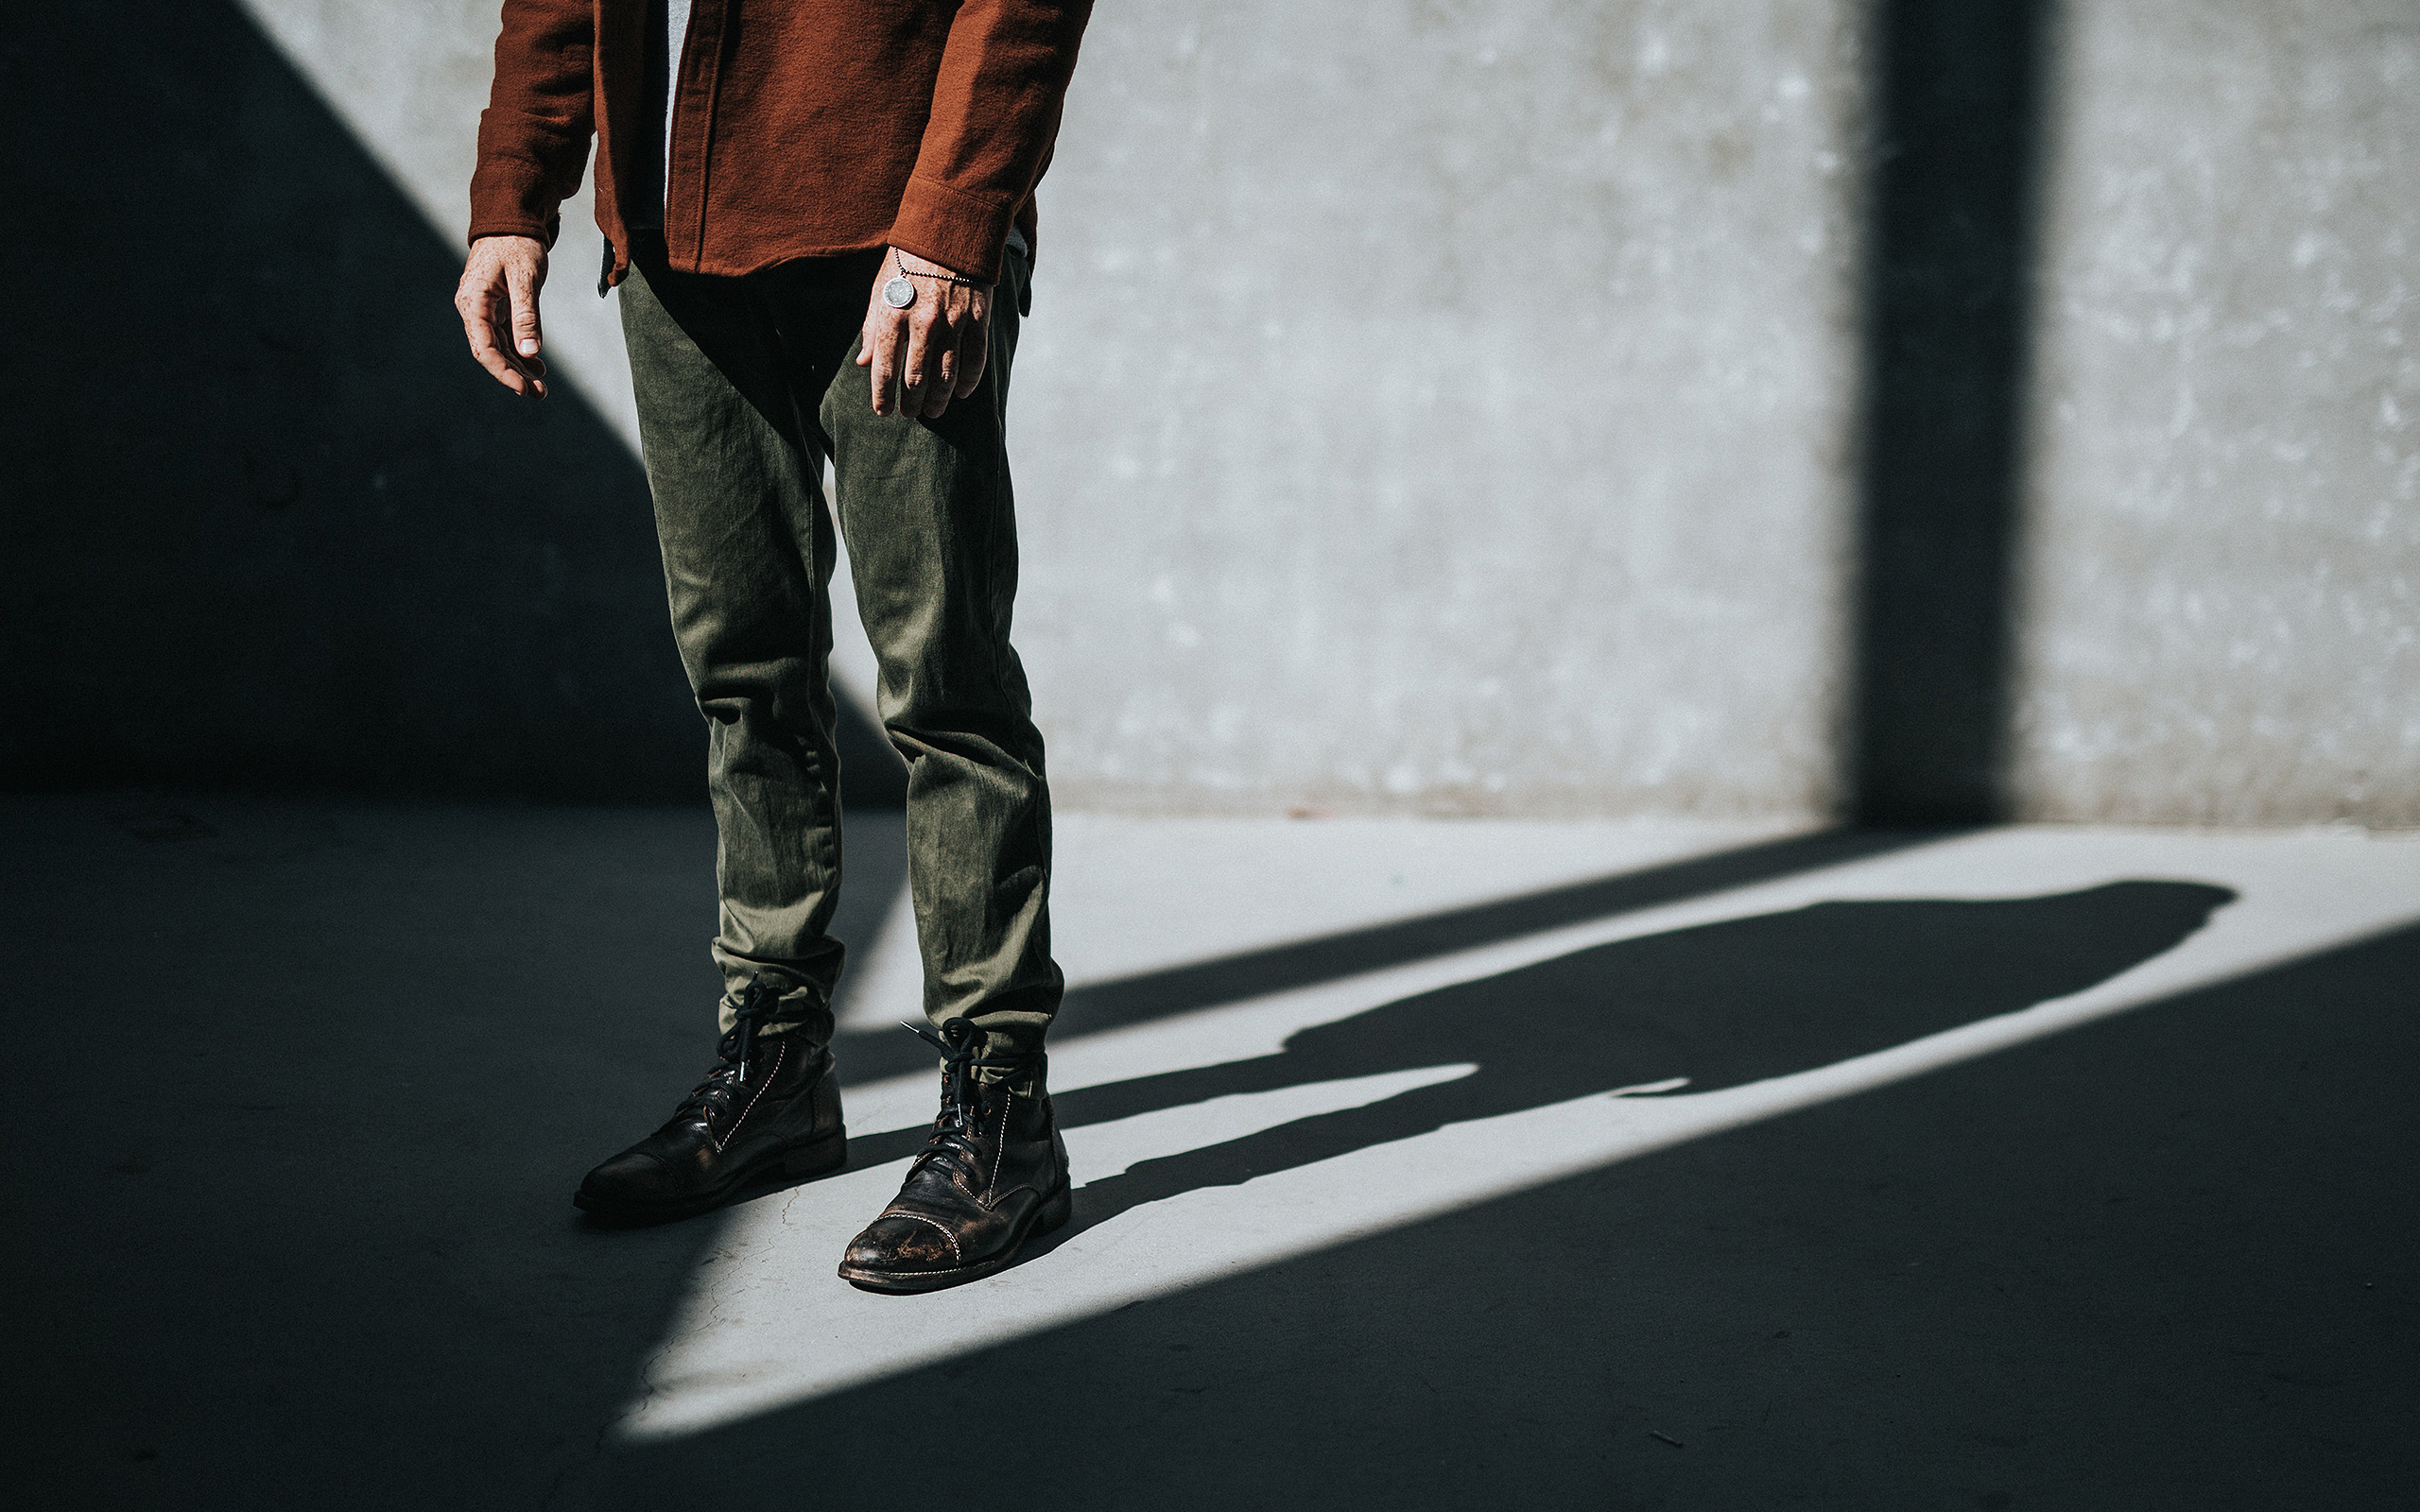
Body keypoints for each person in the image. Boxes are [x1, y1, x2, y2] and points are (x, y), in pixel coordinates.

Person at [453, 0, 1095, 1292]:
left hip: (892, 225)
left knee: (946, 685)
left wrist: (957, 222)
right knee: (744, 675)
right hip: (671, 231)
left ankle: (1002, 1116)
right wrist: (515, 193)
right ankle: (777, 1073)